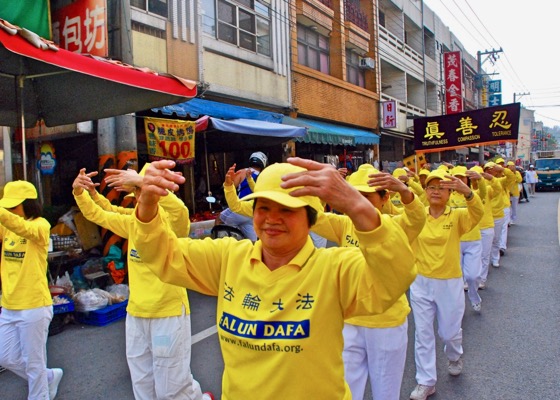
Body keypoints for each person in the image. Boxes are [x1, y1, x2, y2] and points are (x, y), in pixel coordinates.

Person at [130, 158, 417, 400]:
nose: (271, 219)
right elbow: (163, 256)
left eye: (286, 210)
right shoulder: (229, 258)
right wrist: (147, 206)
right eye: (263, 208)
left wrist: (356, 203)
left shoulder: (335, 269)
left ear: (310, 219)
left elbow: (394, 276)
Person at [72, 168, 213, 400]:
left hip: (166, 315)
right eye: (136, 193)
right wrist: (81, 191)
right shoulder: (133, 223)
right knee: (142, 385)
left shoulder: (173, 224)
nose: (139, 198)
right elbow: (101, 213)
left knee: (171, 388)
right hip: (136, 316)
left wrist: (142, 182)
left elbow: (180, 210)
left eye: (142, 191)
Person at [409, 169, 484, 400]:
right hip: (420, 282)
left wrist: (469, 193)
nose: (436, 191)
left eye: (441, 188)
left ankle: (454, 355)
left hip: (449, 282)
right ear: (426, 191)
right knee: (422, 334)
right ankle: (426, 381)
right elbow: (392, 214)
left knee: (449, 333)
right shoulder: (417, 215)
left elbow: (478, 212)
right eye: (431, 187)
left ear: (450, 193)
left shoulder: (458, 216)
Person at [0, 181, 64, 399]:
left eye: (13, 206)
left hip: (34, 305)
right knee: (5, 357)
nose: (9, 210)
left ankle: (40, 392)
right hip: (8, 305)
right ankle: (47, 377)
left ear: (27, 204)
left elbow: (21, 227)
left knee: (34, 364)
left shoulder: (40, 225)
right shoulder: (6, 225)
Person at [219, 152, 268, 240]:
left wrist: (227, 184)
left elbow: (231, 188)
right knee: (253, 242)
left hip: (242, 208)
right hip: (254, 213)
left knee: (219, 219)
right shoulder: (263, 177)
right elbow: (256, 190)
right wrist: (249, 179)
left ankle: (218, 245)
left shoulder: (243, 172)